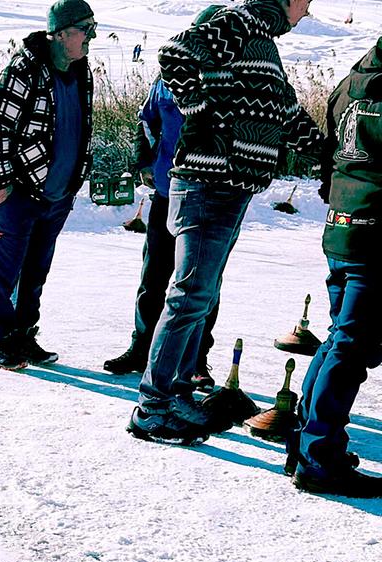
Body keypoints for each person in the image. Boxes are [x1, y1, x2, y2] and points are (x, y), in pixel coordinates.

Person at [127, 0, 329, 444]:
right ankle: (152, 407)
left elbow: (287, 116)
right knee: (188, 296)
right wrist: (204, 111)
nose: (307, 12)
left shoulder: (262, 47)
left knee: (199, 296)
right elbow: (175, 53)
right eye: (306, 3)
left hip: (230, 188)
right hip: (207, 183)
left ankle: (177, 393)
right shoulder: (240, 21)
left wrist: (331, 156)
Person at [105, 5, 225, 383]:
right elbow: (147, 118)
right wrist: (144, 157)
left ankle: (196, 360)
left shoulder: (226, 78)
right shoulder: (168, 75)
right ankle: (142, 347)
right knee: (153, 276)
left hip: (208, 197)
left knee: (201, 281)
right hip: (165, 191)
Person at [287, 37, 382, 497]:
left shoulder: (350, 83)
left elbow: (329, 158)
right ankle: (318, 457)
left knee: (341, 338)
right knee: (351, 346)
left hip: (342, 226)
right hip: (373, 232)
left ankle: (305, 445)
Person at [0, 0, 95, 369]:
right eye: (84, 29)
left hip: (58, 193)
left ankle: (24, 336)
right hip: (21, 191)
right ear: (60, 34)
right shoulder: (25, 68)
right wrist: (0, 184)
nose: (91, 37)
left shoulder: (81, 70)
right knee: (4, 270)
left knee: (35, 273)